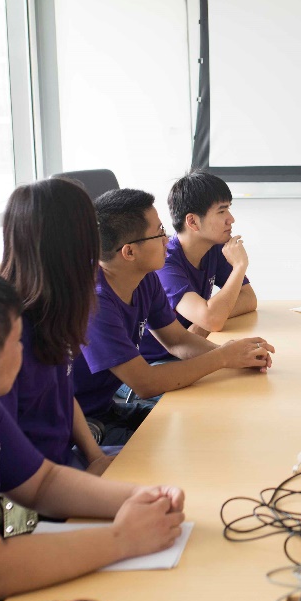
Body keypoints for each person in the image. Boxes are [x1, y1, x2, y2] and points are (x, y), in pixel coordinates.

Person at [0, 267, 186, 601]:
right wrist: (123, 538)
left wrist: (143, 497)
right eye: (16, 344)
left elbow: (41, 482)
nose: (24, 354)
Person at [71, 188, 274, 439]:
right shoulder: (95, 302)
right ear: (129, 252)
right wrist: (222, 357)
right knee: (179, 445)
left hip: (107, 408)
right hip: (80, 424)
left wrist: (236, 355)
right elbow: (145, 383)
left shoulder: (144, 277)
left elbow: (177, 340)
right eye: (159, 233)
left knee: (202, 422)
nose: (167, 240)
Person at [0, 178, 115, 474]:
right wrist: (85, 483)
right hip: (40, 484)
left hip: (66, 462)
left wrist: (96, 458)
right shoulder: (9, 333)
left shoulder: (54, 309)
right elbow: (8, 460)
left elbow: (64, 394)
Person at [158, 170, 257, 336]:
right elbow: (213, 320)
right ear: (193, 221)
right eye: (221, 211)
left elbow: (248, 298)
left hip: (193, 345)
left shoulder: (214, 248)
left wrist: (202, 323)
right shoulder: (164, 263)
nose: (231, 219)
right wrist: (239, 266)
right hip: (161, 352)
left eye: (228, 209)